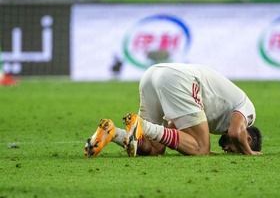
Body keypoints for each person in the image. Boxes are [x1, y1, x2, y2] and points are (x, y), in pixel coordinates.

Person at [84, 63, 263, 157]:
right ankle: (142, 125)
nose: (227, 151)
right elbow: (235, 132)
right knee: (201, 148)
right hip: (179, 79)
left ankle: (112, 133)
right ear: (248, 139)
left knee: (154, 148)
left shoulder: (220, 117)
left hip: (152, 74)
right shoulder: (249, 112)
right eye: (234, 150)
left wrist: (201, 148)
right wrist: (249, 153)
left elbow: (172, 125)